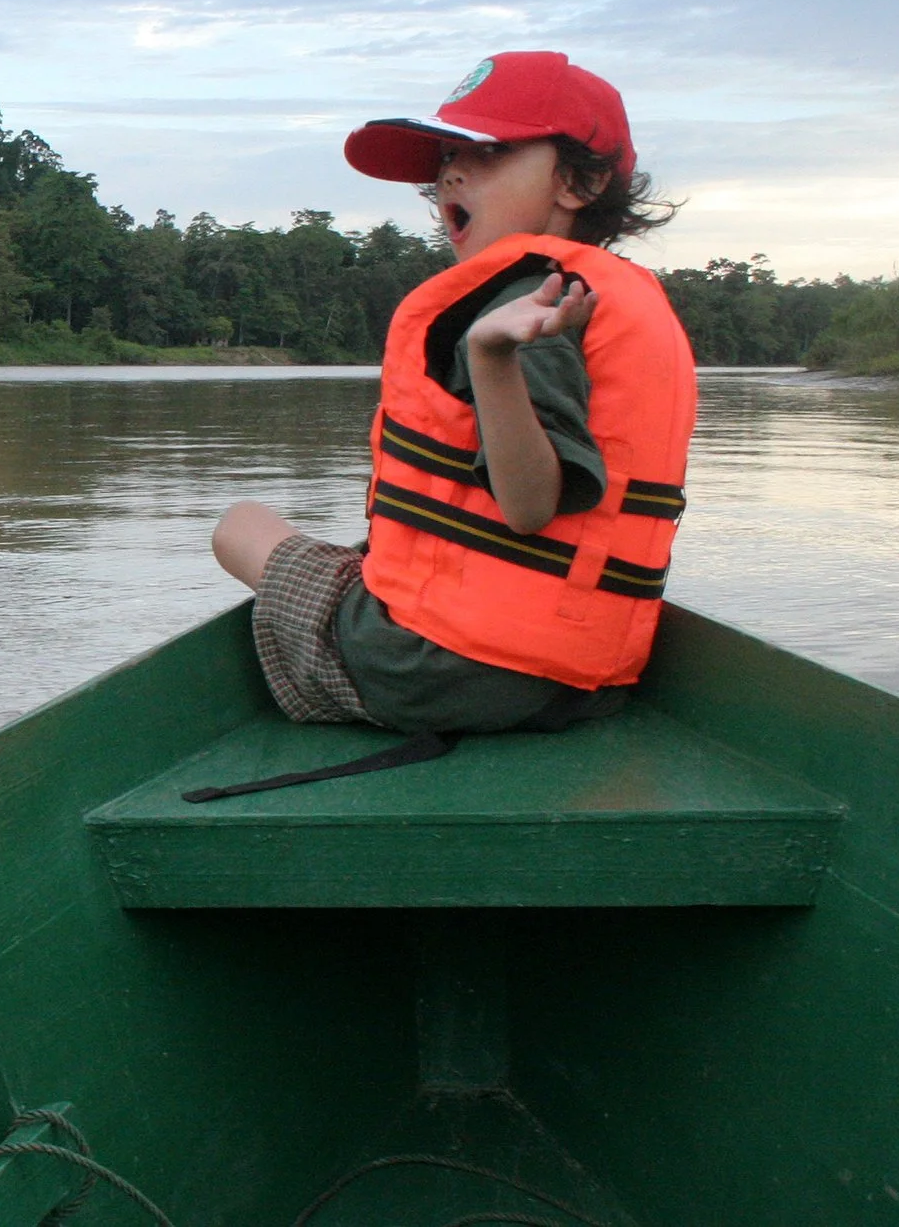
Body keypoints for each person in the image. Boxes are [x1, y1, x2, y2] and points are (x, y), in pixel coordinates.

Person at [209, 51, 696, 768]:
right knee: (370, 555)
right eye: (446, 157)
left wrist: (490, 356)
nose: (451, 175)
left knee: (240, 526)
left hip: (434, 671)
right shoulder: (600, 294)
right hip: (575, 681)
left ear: (582, 182)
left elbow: (530, 506)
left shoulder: (524, 308)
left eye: (488, 152)